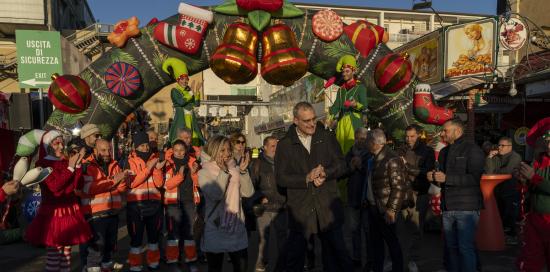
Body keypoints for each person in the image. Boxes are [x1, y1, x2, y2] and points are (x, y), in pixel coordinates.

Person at [275, 102, 352, 272]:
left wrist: (326, 173)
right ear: (295, 120)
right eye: (306, 121)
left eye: (314, 119)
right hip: (301, 211)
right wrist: (305, 178)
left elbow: (342, 165)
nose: (312, 124)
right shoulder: (285, 145)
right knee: (294, 258)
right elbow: (281, 178)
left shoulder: (327, 137)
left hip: (327, 208)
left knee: (337, 255)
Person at [25, 130, 92, 272]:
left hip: (70, 210)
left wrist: (78, 166)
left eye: (62, 143)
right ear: (48, 145)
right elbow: (55, 187)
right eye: (57, 143)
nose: (61, 147)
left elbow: (77, 186)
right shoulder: (42, 163)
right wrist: (71, 167)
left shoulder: (66, 161)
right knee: (54, 254)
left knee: (67, 255)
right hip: (54, 213)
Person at [428, 119, 484, 272]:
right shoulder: (445, 152)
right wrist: (434, 177)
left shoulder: (473, 149)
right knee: (451, 247)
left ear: (457, 131)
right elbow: (443, 179)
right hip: (448, 206)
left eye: (445, 130)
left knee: (465, 247)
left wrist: (446, 178)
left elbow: (474, 178)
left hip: (466, 208)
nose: (442, 133)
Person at [198, 135, 254, 272]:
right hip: (215, 227)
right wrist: (223, 172)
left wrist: (243, 172)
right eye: (222, 150)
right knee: (215, 268)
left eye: (228, 149)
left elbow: (248, 193)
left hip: (236, 226)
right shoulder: (204, 172)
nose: (227, 154)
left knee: (240, 267)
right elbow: (216, 195)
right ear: (213, 150)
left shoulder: (235, 168)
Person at [79, 139, 129, 272]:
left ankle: (107, 266)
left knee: (110, 246)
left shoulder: (114, 164)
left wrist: (122, 180)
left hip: (113, 212)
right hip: (96, 214)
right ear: (95, 150)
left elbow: (122, 189)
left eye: (109, 150)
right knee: (96, 247)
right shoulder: (87, 166)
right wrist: (114, 180)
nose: (107, 153)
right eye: (103, 150)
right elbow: (89, 188)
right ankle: (93, 268)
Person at [365, 128, 406, 272]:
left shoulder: (391, 159)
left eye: (368, 141)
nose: (366, 143)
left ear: (375, 143)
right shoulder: (374, 158)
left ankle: (398, 269)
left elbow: (399, 187)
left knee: (392, 243)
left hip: (385, 209)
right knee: (376, 244)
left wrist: (391, 210)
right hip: (374, 207)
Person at [396, 125, 435, 272]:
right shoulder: (401, 149)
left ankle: (413, 259)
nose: (409, 139)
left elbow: (427, 172)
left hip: (419, 194)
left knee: (416, 230)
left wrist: (407, 167)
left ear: (419, 135)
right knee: (400, 229)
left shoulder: (427, 151)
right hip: (402, 193)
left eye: (412, 136)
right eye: (407, 136)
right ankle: (400, 258)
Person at [126, 131, 165, 271]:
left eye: (146, 145)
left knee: (153, 239)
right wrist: (149, 168)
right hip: (136, 206)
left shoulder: (154, 158)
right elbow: (132, 183)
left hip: (154, 205)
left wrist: (157, 170)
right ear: (135, 147)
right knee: (136, 240)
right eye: (142, 145)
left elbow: (159, 184)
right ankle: (135, 266)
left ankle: (153, 263)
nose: (145, 148)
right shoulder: (129, 161)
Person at [162, 139, 200, 271]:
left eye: (182, 150)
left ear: (186, 151)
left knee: (189, 234)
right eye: (176, 150)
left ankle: (191, 260)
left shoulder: (192, 162)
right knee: (173, 234)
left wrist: (194, 173)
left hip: (189, 202)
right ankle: (173, 261)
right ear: (172, 150)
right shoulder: (168, 164)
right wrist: (179, 176)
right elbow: (166, 185)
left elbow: (198, 183)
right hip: (173, 205)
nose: (179, 153)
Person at [251, 136, 287, 272]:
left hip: (282, 205)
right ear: (265, 147)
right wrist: (260, 197)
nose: (275, 149)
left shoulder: (283, 161)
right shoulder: (258, 163)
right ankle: (261, 263)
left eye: (277, 145)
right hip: (264, 207)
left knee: (282, 238)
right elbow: (252, 185)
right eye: (272, 146)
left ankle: (282, 264)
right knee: (263, 239)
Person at [516, 130, 550, 271]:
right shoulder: (540, 161)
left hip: (547, 220)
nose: (548, 145)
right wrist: (523, 180)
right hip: (535, 217)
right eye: (547, 141)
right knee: (532, 259)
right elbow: (532, 188)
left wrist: (533, 177)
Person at [344, 127, 373, 270]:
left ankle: (370, 259)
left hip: (366, 199)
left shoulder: (370, 154)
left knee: (368, 232)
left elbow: (372, 174)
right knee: (354, 231)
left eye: (364, 138)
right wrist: (351, 166)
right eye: (359, 138)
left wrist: (360, 166)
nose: (361, 141)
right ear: (355, 138)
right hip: (352, 198)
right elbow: (343, 170)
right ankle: (357, 258)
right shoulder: (350, 152)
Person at [327, 55, 368, 154]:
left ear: (353, 72)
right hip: (341, 124)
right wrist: (329, 117)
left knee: (354, 151)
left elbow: (365, 106)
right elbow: (336, 106)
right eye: (343, 72)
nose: (344, 74)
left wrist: (355, 105)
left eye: (347, 71)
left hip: (354, 123)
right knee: (341, 152)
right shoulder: (341, 90)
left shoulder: (360, 88)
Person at [485, 136, 522, 243]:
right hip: (497, 191)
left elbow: (508, 172)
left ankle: (512, 237)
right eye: (499, 145)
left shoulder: (515, 157)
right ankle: (501, 237)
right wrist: (489, 158)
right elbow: (489, 172)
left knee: (509, 215)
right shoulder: (496, 157)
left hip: (510, 190)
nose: (499, 148)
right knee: (500, 216)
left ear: (510, 147)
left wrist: (495, 172)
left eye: (502, 145)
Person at [164, 57, 205, 146]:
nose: (185, 81)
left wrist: (197, 92)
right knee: (180, 140)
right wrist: (191, 93)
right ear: (178, 80)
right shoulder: (174, 90)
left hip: (191, 119)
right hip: (181, 119)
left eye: (186, 79)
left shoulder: (189, 90)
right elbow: (181, 102)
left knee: (194, 140)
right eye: (182, 79)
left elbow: (196, 104)